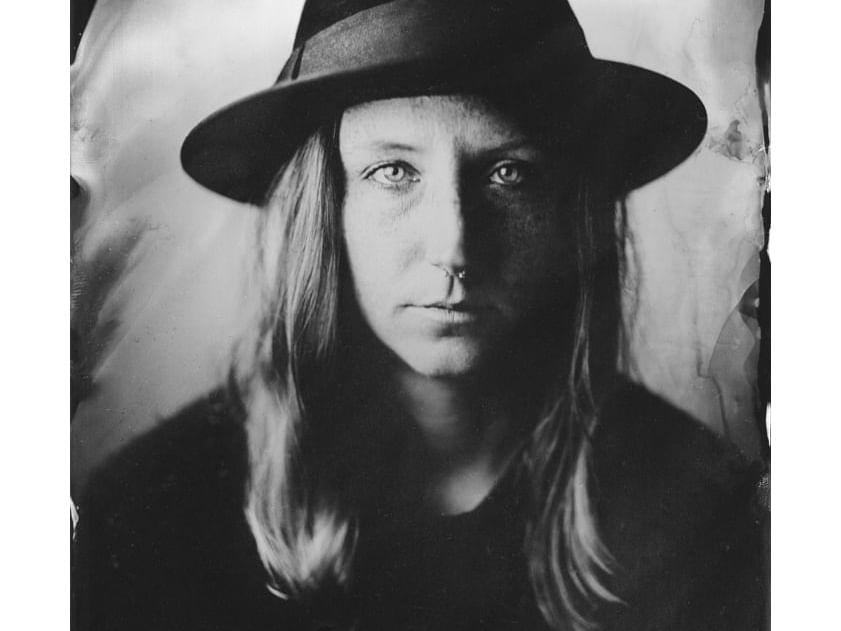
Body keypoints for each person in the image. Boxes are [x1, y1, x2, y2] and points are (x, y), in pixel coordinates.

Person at [72, 1, 768, 630]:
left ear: (571, 214)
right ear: (324, 210)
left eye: (509, 172)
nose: (453, 246)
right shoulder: (156, 515)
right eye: (393, 172)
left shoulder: (697, 507)